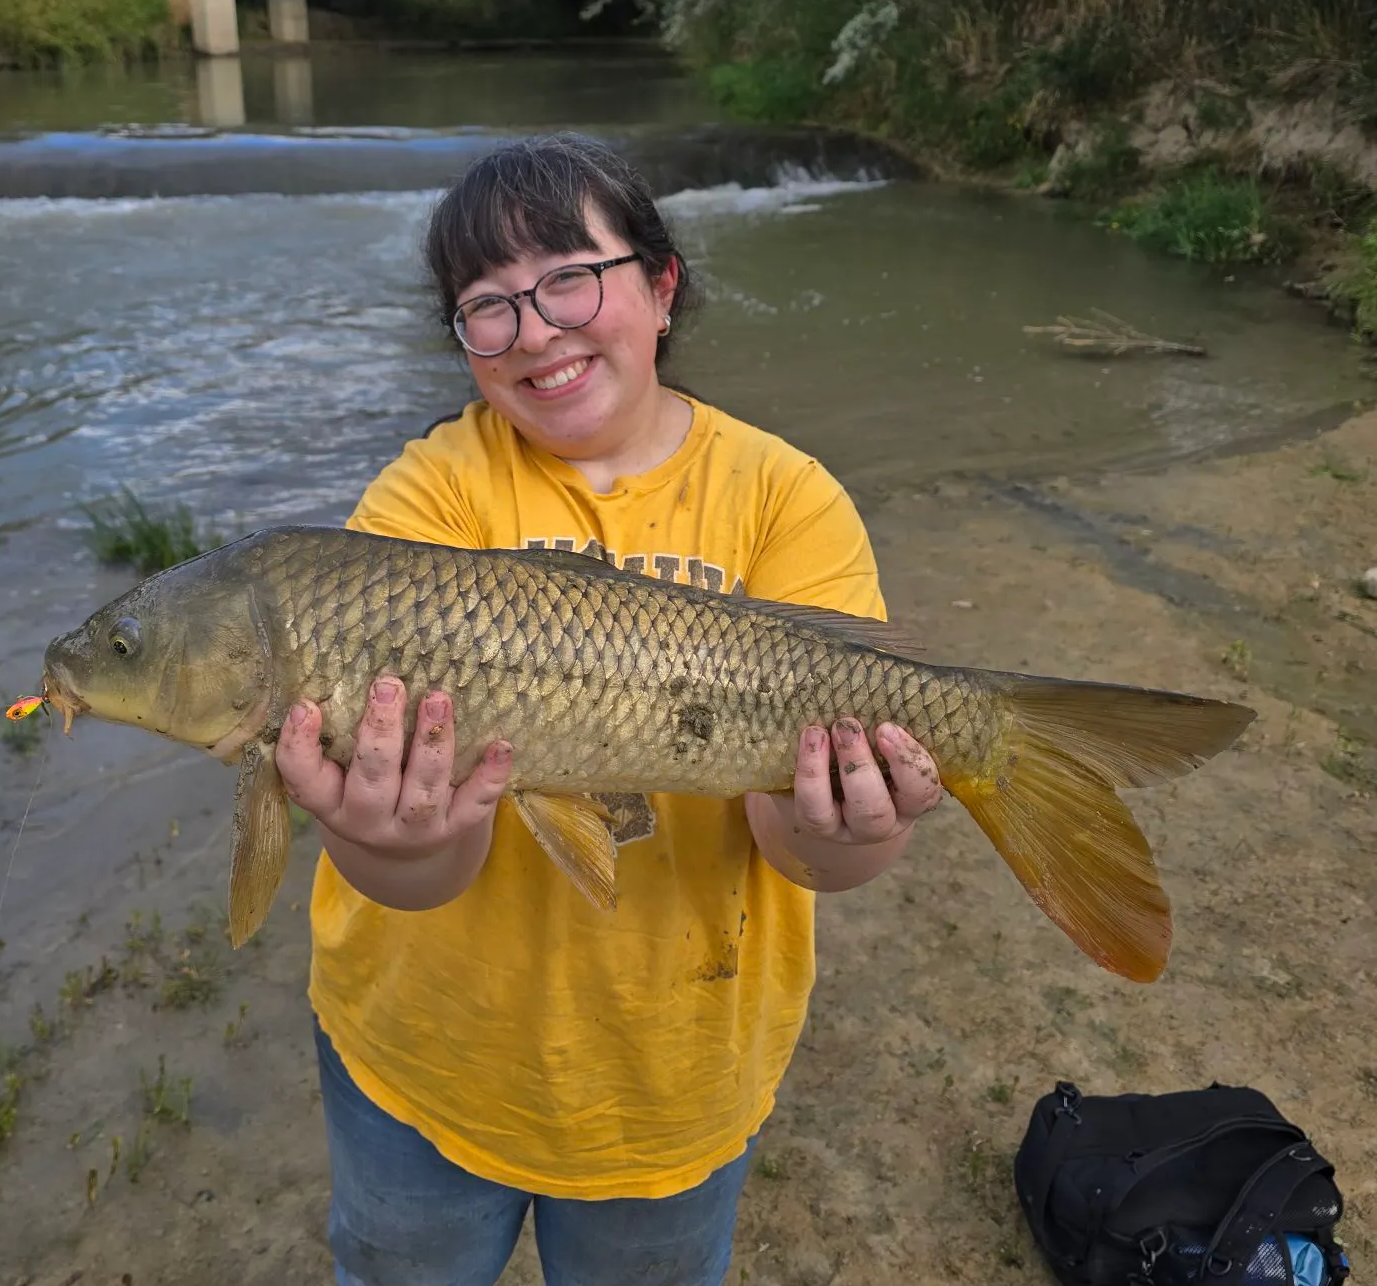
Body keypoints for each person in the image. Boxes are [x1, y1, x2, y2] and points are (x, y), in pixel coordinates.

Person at [274, 133, 943, 1286]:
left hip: (673, 1077)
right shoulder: (426, 499)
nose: (535, 331)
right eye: (488, 307)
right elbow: (419, 873)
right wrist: (394, 838)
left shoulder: (785, 500)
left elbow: (807, 855)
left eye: (571, 279)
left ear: (662, 285)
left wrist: (850, 827)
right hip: (424, 1054)